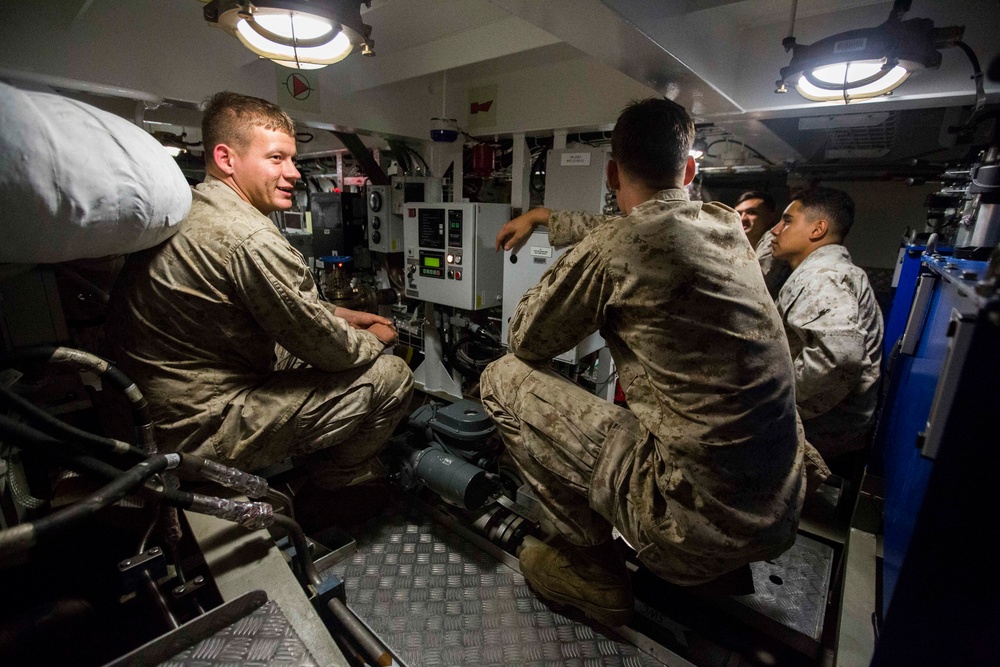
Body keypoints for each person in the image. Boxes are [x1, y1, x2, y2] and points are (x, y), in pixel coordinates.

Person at [480, 98, 813, 627]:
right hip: (776, 503)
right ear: (690, 170)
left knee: (501, 377)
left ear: (611, 172)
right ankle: (717, 563)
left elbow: (527, 340)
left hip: (689, 518)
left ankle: (591, 572)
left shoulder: (616, 247)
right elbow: (651, 226)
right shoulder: (729, 229)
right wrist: (546, 218)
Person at [107, 91, 413, 490]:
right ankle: (330, 485)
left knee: (299, 348)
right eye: (275, 159)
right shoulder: (250, 237)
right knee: (391, 375)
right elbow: (332, 351)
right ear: (225, 158)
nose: (294, 173)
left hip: (160, 409)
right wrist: (374, 339)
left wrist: (340, 314)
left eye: (293, 159)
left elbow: (273, 306)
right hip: (200, 430)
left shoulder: (193, 206)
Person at [769, 187, 883, 462]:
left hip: (821, 436)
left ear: (818, 229)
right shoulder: (826, 271)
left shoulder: (823, 276)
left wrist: (768, 397)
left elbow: (838, 358)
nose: (775, 230)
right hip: (830, 430)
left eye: (787, 220)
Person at [734, 190, 791, 298]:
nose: (742, 219)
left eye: (751, 212)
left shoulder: (774, 241)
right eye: (738, 214)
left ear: (770, 217)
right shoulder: (736, 244)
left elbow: (753, 287)